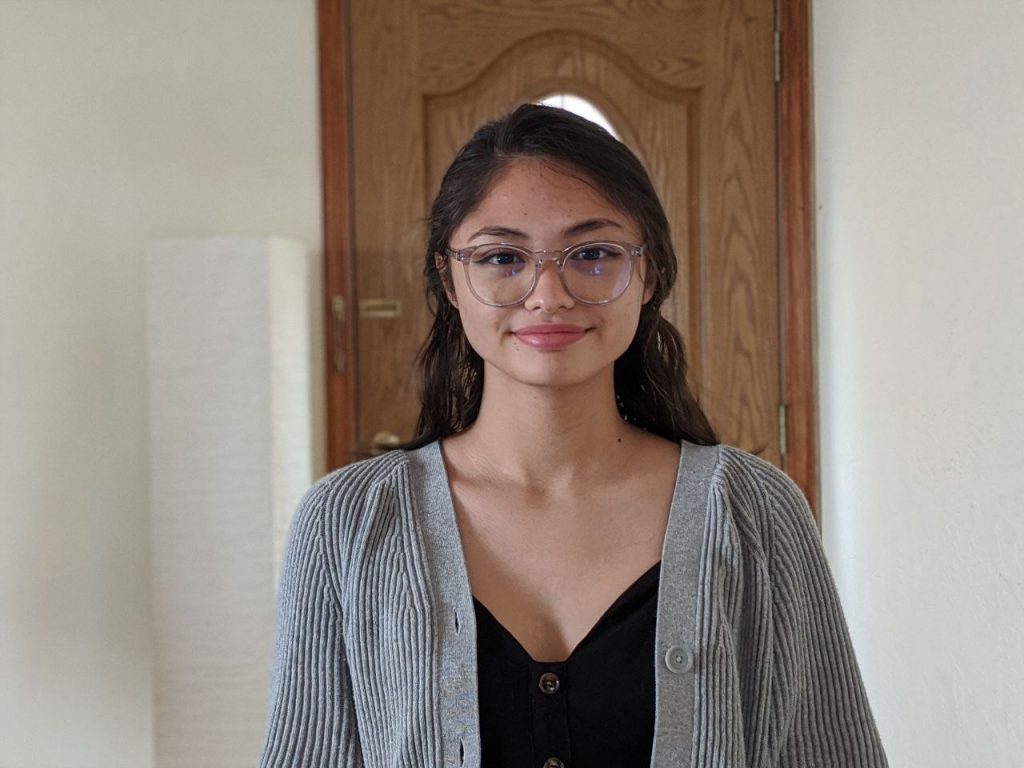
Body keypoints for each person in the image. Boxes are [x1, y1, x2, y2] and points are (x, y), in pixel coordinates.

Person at [258, 104, 888, 767]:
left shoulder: (756, 513)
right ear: (450, 280)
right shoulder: (347, 522)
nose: (548, 294)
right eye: (503, 256)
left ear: (649, 274)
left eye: (592, 254)